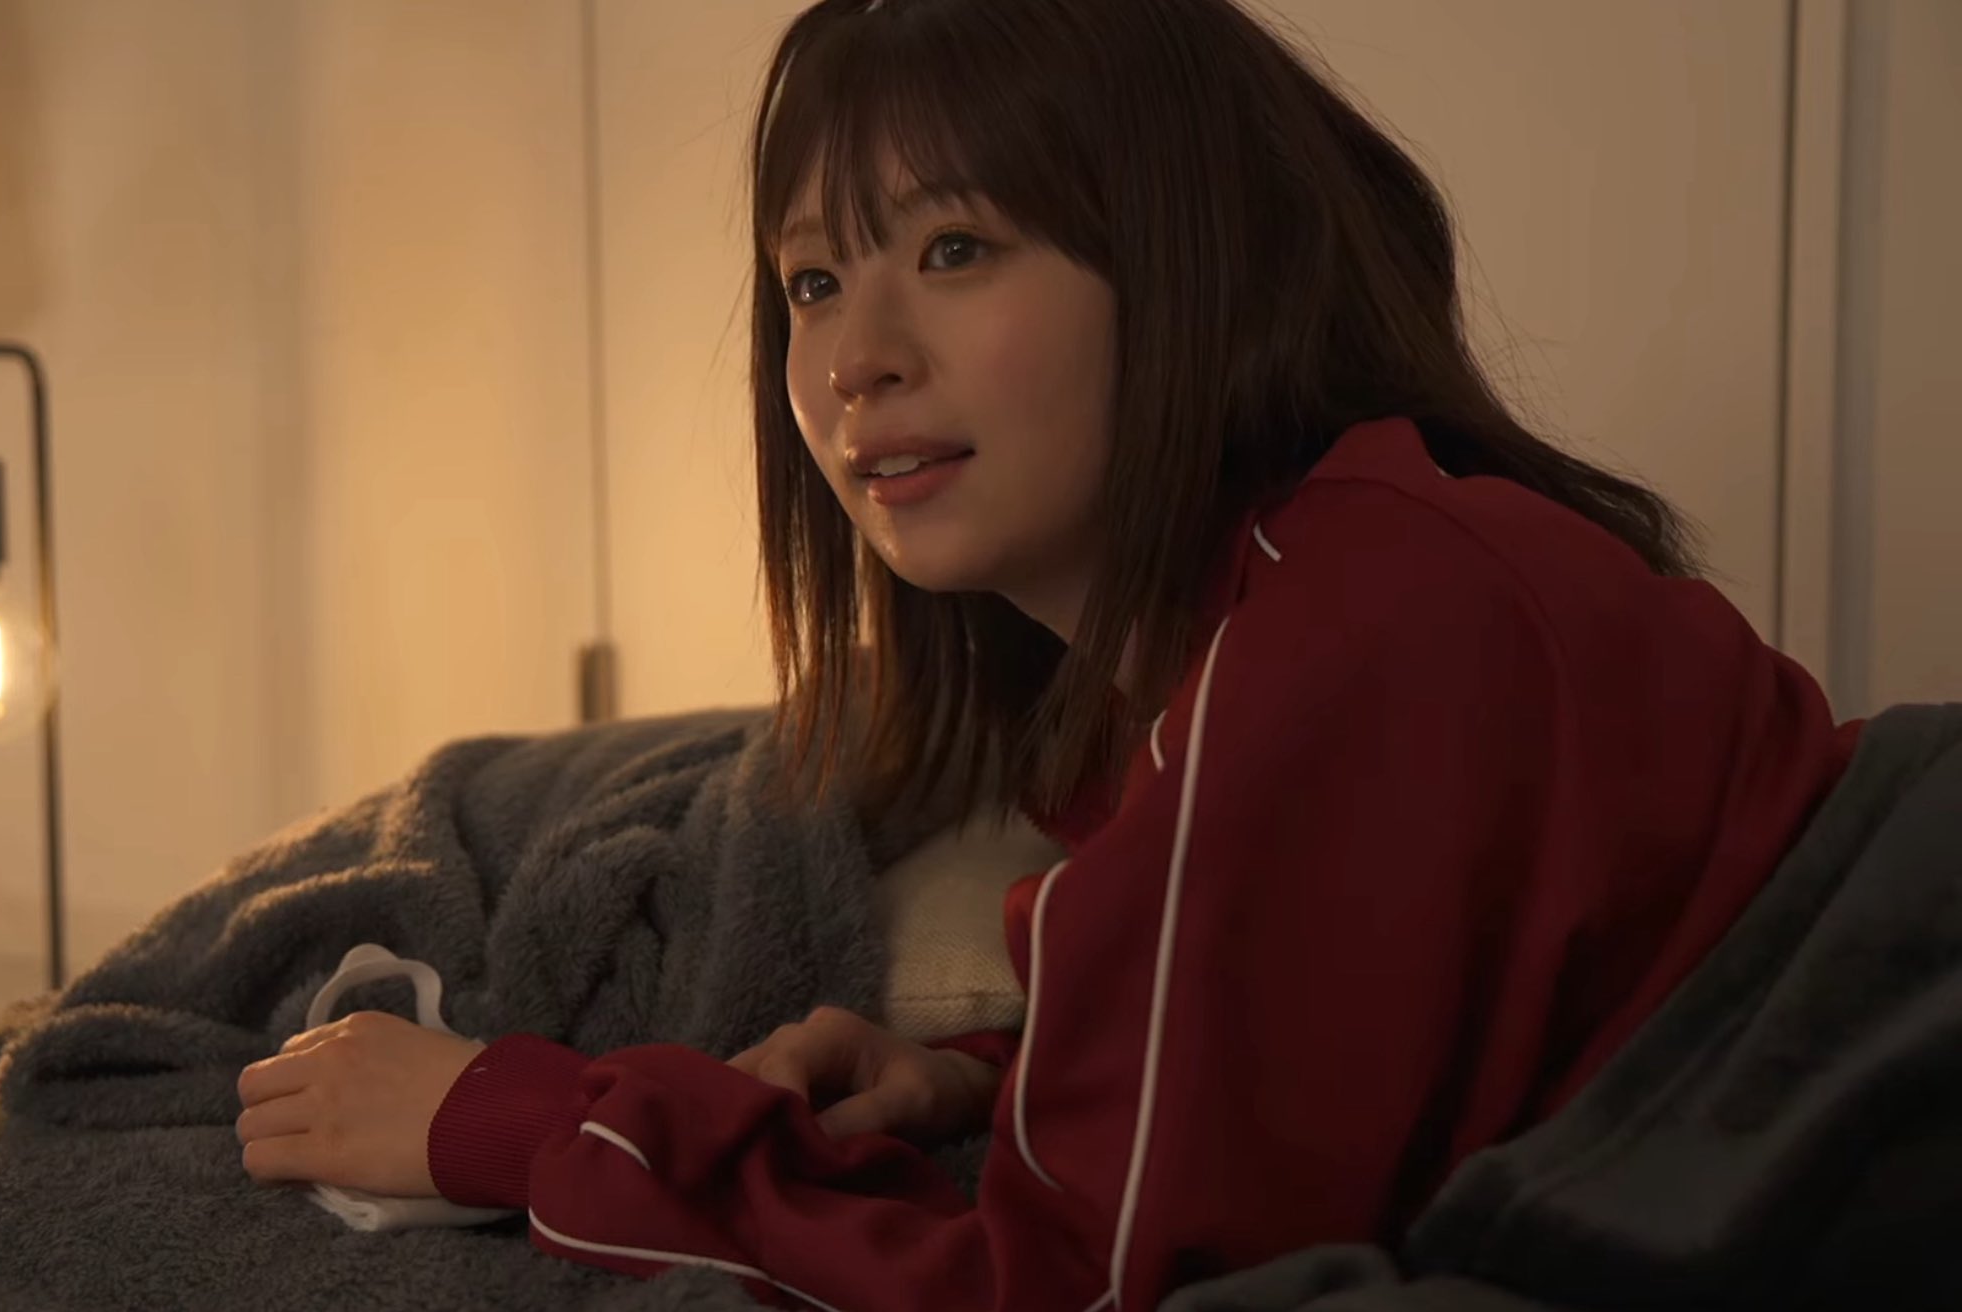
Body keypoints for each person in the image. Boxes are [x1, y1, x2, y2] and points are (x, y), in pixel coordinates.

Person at [230, 0, 1862, 1306]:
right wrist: (993, 1079)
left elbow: (1071, 1290)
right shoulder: (1267, 633)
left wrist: (524, 1123)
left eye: (954, 248)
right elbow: (1338, 1059)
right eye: (813, 279)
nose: (855, 360)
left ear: (1191, 263)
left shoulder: (1360, 622)